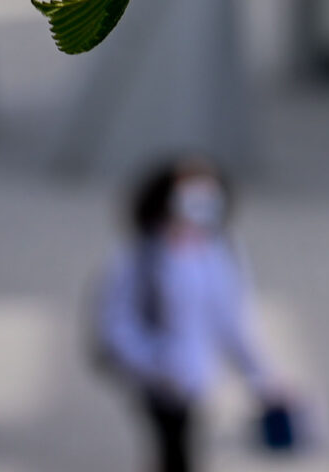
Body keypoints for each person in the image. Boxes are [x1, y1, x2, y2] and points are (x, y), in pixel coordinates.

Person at [97, 156, 287, 472]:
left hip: (199, 373)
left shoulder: (220, 251)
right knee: (175, 450)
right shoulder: (141, 255)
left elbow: (232, 320)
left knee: (187, 448)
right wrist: (154, 364)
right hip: (158, 380)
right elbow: (116, 325)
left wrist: (262, 376)